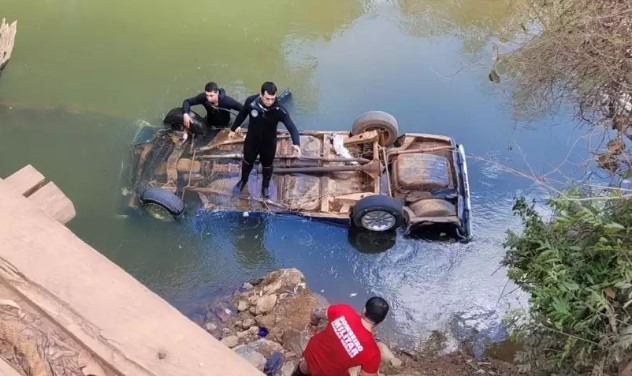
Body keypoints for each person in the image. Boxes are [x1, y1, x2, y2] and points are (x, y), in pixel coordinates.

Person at [230, 81, 301, 198]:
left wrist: (296, 143)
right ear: (261, 94)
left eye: (273, 99)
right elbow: (242, 115)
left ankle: (265, 187)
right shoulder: (251, 102)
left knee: (267, 166)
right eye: (267, 98)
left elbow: (292, 127)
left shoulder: (279, 109)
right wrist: (232, 129)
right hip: (252, 141)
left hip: (268, 143)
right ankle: (243, 181)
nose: (270, 102)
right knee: (247, 162)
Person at [292, 297, 390, 376]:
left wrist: (314, 325)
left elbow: (315, 313)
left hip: (311, 352)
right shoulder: (372, 352)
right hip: (329, 373)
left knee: (305, 366)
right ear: (380, 321)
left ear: (364, 310)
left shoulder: (343, 310)